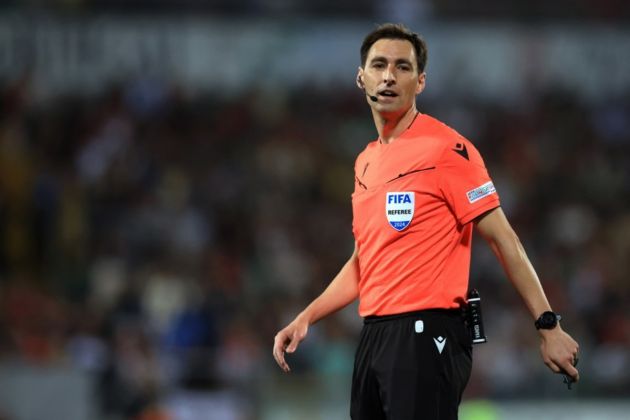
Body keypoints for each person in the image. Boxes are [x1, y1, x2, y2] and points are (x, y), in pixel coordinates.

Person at [272, 23, 580, 420]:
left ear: (420, 82)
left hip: (426, 332)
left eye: (402, 67)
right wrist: (306, 317)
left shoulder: (447, 150)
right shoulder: (365, 161)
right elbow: (363, 263)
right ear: (360, 77)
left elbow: (505, 240)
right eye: (379, 65)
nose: (388, 76)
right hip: (375, 335)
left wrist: (548, 326)